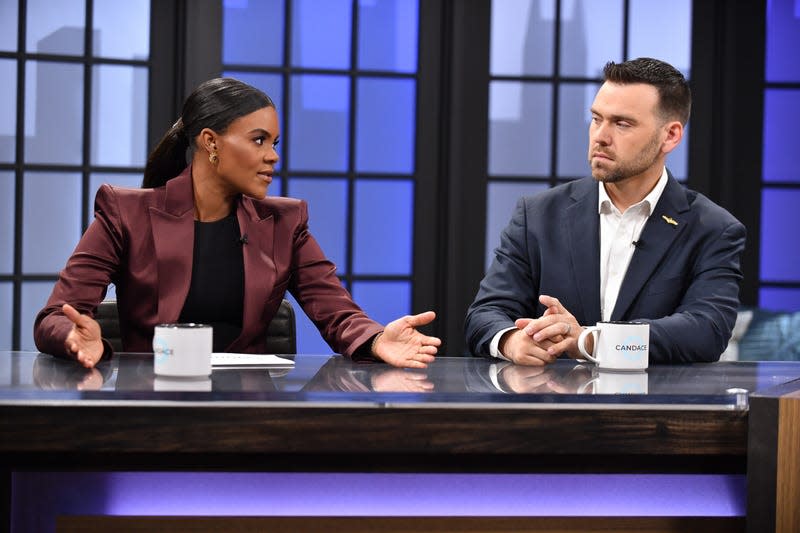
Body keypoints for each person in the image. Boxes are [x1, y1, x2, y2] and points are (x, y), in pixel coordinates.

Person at [34, 77, 441, 370]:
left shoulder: (284, 222)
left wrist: (374, 338)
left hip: (248, 411)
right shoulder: (126, 213)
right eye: (259, 140)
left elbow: (337, 312)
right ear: (211, 142)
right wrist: (74, 338)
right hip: (150, 404)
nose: (273, 157)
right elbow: (55, 315)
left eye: (274, 144)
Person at [465, 57, 745, 365]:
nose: (600, 136)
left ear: (671, 135)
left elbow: (706, 332)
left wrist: (590, 341)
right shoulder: (538, 215)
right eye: (597, 119)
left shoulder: (712, 228)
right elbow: (485, 314)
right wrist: (512, 340)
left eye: (622, 124)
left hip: (652, 410)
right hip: (554, 408)